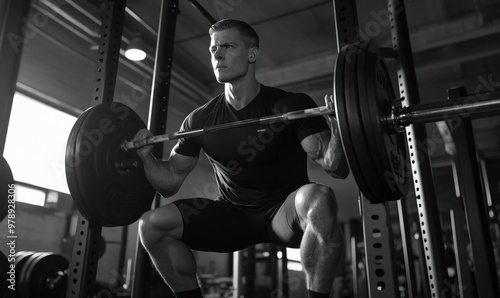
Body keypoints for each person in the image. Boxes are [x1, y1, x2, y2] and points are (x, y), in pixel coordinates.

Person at [132, 19, 349, 298]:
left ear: (252, 54)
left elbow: (335, 168)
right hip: (232, 215)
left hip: (283, 212)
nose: (217, 55)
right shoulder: (200, 120)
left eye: (227, 47)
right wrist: (145, 156)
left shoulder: (289, 106)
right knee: (151, 225)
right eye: (213, 49)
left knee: (319, 197)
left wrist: (340, 130)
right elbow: (169, 182)